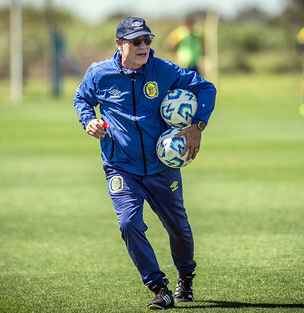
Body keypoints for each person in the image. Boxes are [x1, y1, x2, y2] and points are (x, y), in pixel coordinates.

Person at [73, 17, 216, 310]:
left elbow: (206, 88)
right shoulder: (100, 74)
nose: (144, 46)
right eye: (136, 41)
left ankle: (186, 276)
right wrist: (89, 121)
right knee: (128, 224)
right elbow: (81, 98)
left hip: (162, 166)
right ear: (119, 44)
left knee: (178, 228)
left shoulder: (163, 70)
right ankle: (158, 287)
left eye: (148, 40)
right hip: (121, 166)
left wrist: (196, 126)